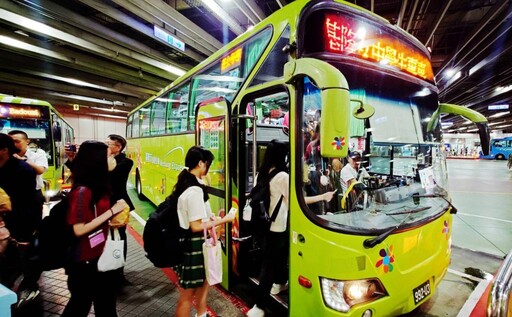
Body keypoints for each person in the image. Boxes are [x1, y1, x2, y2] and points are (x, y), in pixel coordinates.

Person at [62, 141, 128, 317]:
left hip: (100, 255)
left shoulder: (99, 186)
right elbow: (79, 230)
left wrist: (112, 218)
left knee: (106, 305)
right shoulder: (83, 191)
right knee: (80, 305)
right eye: (107, 155)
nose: (111, 158)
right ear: (96, 160)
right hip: (85, 261)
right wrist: (113, 211)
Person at [174, 146, 236, 317]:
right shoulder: (194, 190)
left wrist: (211, 219)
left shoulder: (188, 182)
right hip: (194, 244)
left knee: (203, 283)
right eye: (208, 164)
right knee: (187, 296)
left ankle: (201, 313)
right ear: (201, 163)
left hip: (195, 243)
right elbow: (195, 226)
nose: (208, 168)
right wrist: (224, 220)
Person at [0, 133, 39, 302]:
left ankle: (28, 286)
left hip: (19, 221)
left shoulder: (23, 170)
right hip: (3, 222)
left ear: (4, 150)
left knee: (21, 257)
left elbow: (27, 202)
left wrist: (28, 229)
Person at [105, 134, 135, 285]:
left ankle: (119, 273)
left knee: (119, 238)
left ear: (118, 147)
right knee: (104, 238)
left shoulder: (126, 162)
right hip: (103, 206)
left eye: (109, 144)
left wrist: (107, 158)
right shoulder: (102, 161)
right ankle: (106, 269)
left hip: (118, 206)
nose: (106, 146)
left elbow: (114, 177)